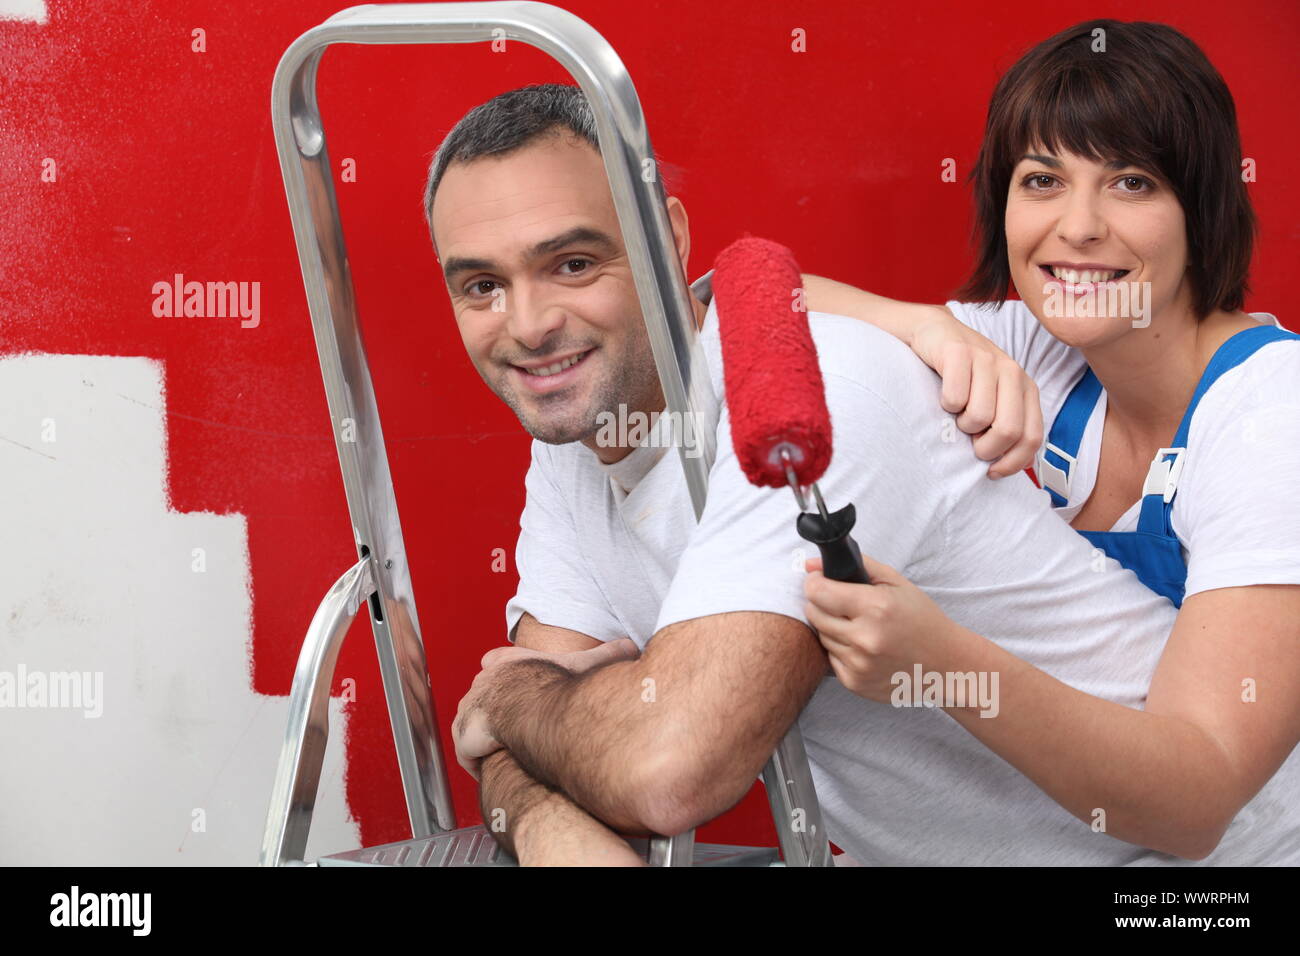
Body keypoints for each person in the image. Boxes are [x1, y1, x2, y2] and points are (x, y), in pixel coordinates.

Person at [426, 83, 1294, 867]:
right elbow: (744, 290)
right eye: (480, 285)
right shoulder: (1036, 339)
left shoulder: (1268, 410)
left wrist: (511, 700)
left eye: (573, 263)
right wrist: (543, 816)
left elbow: (656, 765)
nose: (531, 324)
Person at [799, 16, 1300, 860]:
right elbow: (725, 302)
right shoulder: (1049, 343)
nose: (1077, 227)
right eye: (1041, 179)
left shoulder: (1272, 415)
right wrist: (927, 328)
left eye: (1132, 183)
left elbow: (1195, 803)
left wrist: (942, 664)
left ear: (1203, 205)